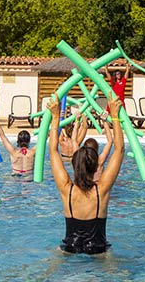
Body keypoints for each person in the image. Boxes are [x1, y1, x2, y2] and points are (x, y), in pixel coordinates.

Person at [48, 93, 125, 254]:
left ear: (75, 165)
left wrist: (55, 117)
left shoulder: (66, 189)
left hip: (70, 247)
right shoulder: (101, 189)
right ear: (94, 166)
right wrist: (115, 117)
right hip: (98, 249)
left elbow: (53, 150)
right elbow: (119, 150)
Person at [0, 109, 36, 176]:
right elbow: (44, 138)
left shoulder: (13, 152)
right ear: (29, 141)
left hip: (15, 177)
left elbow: (2, 136)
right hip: (29, 177)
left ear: (18, 141)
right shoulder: (33, 152)